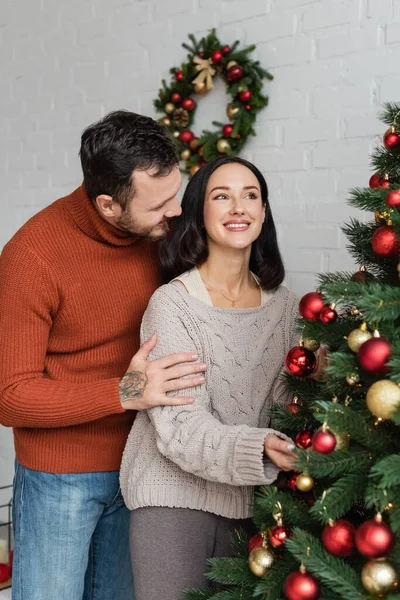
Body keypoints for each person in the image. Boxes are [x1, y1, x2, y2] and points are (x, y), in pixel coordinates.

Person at [0, 110, 207, 600]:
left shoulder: (156, 234)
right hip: (59, 478)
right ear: (109, 205)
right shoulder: (32, 257)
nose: (174, 212)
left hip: (140, 467)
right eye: (158, 205)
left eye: (174, 194)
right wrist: (126, 391)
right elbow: (10, 396)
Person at [120, 156, 300, 600]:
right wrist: (257, 446)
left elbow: (292, 406)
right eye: (222, 196)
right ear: (199, 212)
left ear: (263, 213)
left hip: (256, 506)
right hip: (173, 502)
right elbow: (181, 428)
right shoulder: (172, 305)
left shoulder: (288, 309)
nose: (238, 207)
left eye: (250, 196)